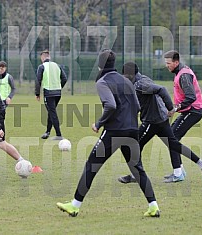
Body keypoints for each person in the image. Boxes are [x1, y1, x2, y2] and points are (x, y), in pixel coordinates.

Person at [56, 50, 160, 218]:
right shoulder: (126, 80)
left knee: (91, 165)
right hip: (132, 130)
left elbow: (110, 105)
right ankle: (153, 206)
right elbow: (138, 107)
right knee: (137, 169)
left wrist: (99, 123)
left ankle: (74, 206)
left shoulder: (102, 82)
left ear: (100, 65)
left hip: (114, 132)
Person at [117, 62, 202, 184]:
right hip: (161, 119)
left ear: (129, 74)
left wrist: (170, 108)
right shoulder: (143, 79)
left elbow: (161, 89)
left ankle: (137, 175)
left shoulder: (140, 84)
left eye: (124, 75)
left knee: (134, 144)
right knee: (174, 144)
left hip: (152, 121)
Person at [163, 50, 202, 181]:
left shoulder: (183, 75)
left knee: (171, 139)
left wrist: (175, 108)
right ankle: (180, 171)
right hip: (189, 111)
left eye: (168, 63)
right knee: (171, 139)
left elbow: (191, 96)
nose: (167, 65)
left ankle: (191, 169)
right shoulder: (180, 72)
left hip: (193, 111)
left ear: (176, 62)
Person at [35, 50, 67, 140]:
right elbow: (64, 78)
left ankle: (59, 134)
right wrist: (59, 87)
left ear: (43, 57)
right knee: (51, 111)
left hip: (48, 93)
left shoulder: (42, 66)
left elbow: (38, 81)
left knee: (52, 112)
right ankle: (47, 132)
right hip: (58, 93)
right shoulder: (57, 66)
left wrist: (37, 93)